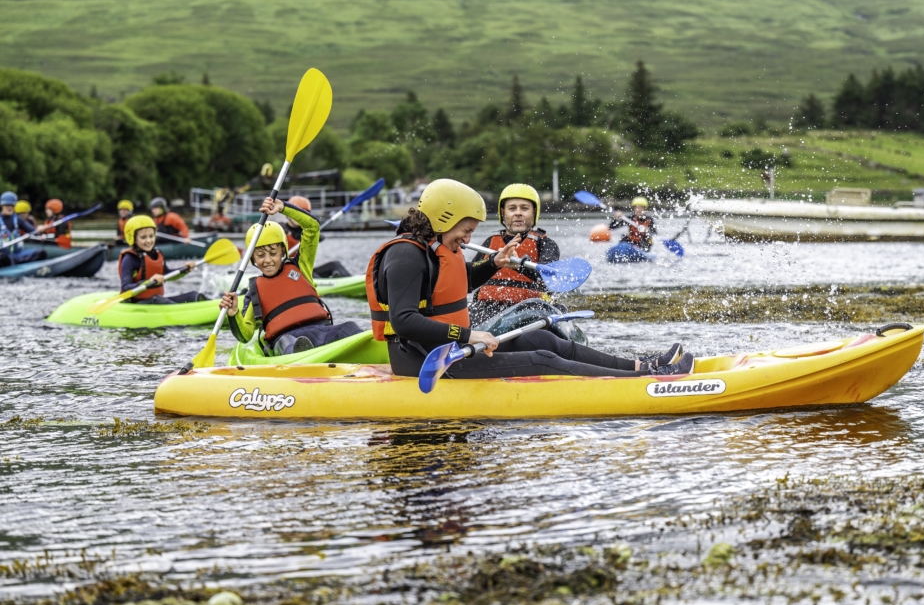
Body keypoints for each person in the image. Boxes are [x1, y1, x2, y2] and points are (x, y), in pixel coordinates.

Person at [366, 179, 693, 379]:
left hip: (446, 348)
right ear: (444, 218)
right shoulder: (405, 255)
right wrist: (468, 334)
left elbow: (459, 285)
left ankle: (640, 367)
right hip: (425, 360)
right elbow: (405, 321)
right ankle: (644, 383)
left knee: (547, 341)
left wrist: (494, 262)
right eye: (466, 229)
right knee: (542, 359)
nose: (468, 239)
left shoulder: (432, 250)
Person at [219, 197, 361, 355]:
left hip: (322, 332)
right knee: (287, 343)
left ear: (283, 251)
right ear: (253, 258)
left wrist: (284, 208)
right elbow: (246, 335)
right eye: (260, 255)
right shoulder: (253, 292)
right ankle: (301, 356)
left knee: (350, 327)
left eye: (273, 253)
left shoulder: (301, 265)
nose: (267, 260)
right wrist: (233, 314)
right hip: (286, 342)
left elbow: (312, 227)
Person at [470, 183, 560, 323]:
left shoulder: (545, 244)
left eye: (524, 208)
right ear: (503, 213)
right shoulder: (490, 243)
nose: (518, 213)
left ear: (534, 213)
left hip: (530, 310)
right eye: (512, 208)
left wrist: (520, 266)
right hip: (487, 309)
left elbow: (550, 278)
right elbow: (470, 277)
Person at [118, 215, 201, 304]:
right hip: (137, 303)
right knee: (156, 299)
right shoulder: (129, 259)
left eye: (151, 236)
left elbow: (166, 274)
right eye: (143, 237)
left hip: (157, 301)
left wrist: (185, 269)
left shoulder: (156, 254)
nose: (149, 240)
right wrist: (149, 282)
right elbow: (125, 288)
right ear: (133, 239)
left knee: (193, 296)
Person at [0, 191, 47, 267]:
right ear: (1, 205)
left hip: (18, 254)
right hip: (3, 255)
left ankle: (22, 266)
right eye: (7, 205)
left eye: (12, 205)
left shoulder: (18, 219)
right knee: (2, 257)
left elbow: (33, 230)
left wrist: (39, 230)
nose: (9, 207)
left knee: (41, 253)